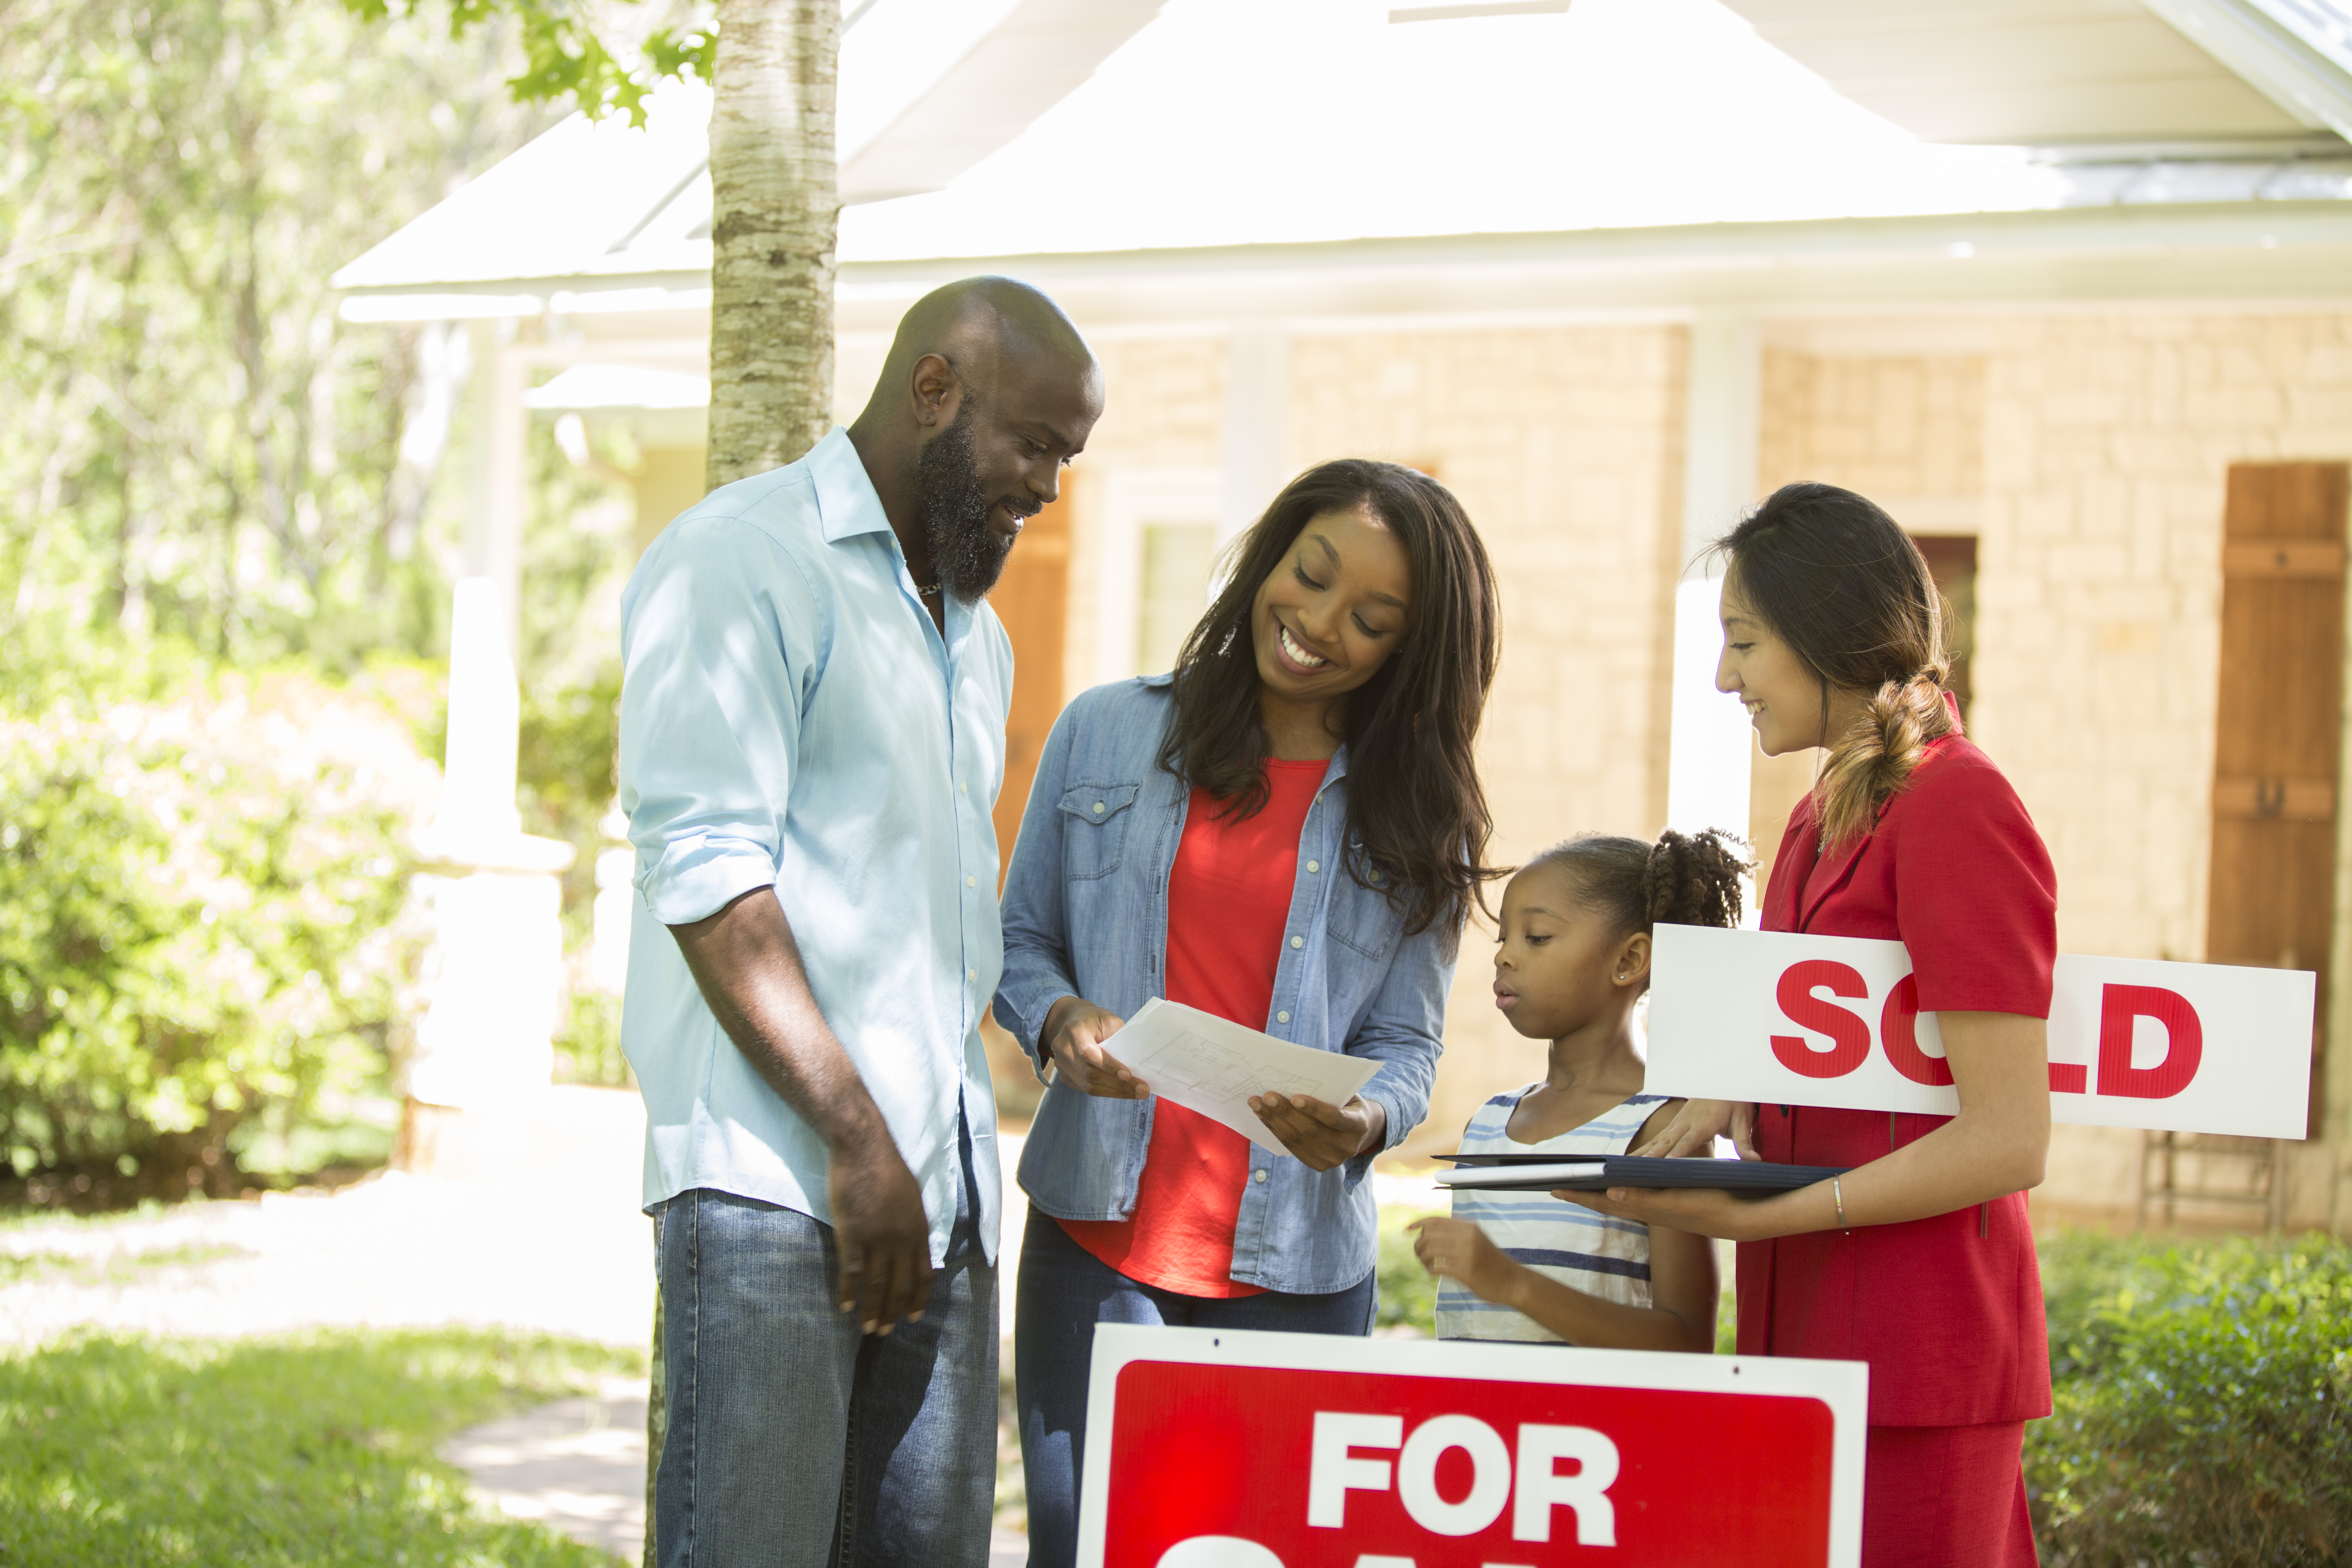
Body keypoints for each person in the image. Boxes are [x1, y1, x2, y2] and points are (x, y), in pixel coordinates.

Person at [616, 276, 1105, 1568]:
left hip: (937, 1196)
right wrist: (854, 1134)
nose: (1052, 484)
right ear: (935, 390)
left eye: (1069, 455)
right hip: (780, 1184)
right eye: (1036, 443)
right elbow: (708, 870)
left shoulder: (973, 634)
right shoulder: (740, 560)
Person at [993, 459, 1500, 1568]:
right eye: (1309, 575)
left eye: (1370, 619)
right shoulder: (1107, 733)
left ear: (1408, 651)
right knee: (1084, 1552)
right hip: (1098, 1244)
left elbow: (1407, 1045)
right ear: (1269, 555)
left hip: (1299, 1273)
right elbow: (1018, 941)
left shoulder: (1419, 813)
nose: (1317, 625)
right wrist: (1062, 1019)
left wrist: (1367, 1121)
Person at [1586, 482, 2055, 1568]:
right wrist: (1712, 1102)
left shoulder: (1958, 805)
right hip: (1807, 1344)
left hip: (1922, 1359)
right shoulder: (1817, 815)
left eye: (1743, 642)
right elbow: (1831, 1048)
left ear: (1827, 633)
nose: (1724, 677)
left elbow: (2009, 1136)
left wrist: (1772, 1217)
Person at [1409, 829, 1741, 1351]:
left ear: (1630, 961)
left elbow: (1686, 1341)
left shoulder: (1665, 1129)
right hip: (1479, 1429)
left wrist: (1512, 1283)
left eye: (1536, 937)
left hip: (1597, 1431)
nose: (1505, 958)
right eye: (1503, 939)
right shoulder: (1490, 1123)